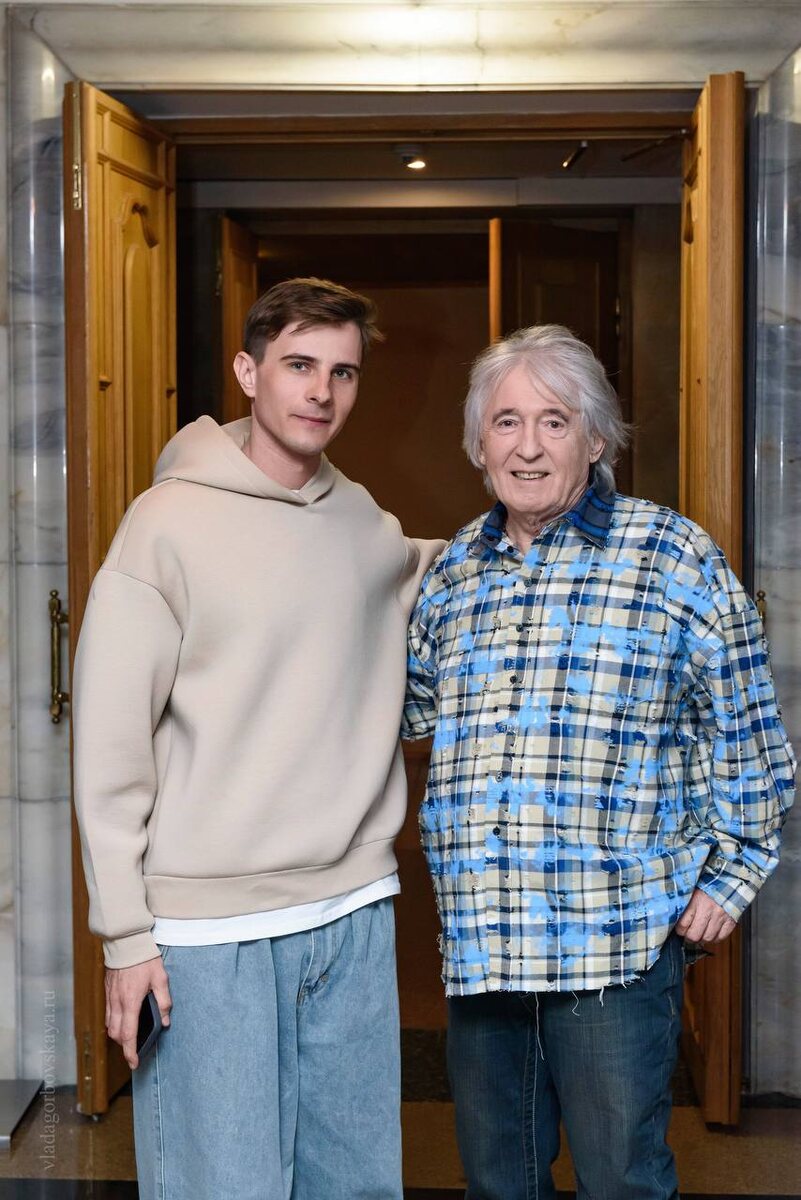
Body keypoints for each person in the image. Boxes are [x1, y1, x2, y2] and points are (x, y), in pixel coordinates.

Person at [402, 324, 795, 1200]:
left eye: (554, 421)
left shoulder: (671, 556)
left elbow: (750, 738)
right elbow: (402, 711)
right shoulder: (454, 573)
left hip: (613, 948)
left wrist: (729, 877)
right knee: (497, 1182)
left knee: (620, 1181)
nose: (528, 446)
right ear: (477, 443)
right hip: (484, 943)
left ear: (595, 439)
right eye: (506, 422)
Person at [72, 277, 443, 1200]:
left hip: (352, 913)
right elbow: (110, 747)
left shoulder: (361, 522)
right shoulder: (164, 526)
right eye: (298, 365)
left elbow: (444, 572)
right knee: (221, 1187)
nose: (321, 391)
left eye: (343, 372)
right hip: (208, 933)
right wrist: (126, 938)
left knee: (356, 1187)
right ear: (248, 372)